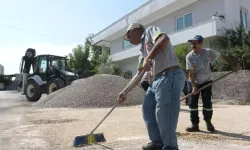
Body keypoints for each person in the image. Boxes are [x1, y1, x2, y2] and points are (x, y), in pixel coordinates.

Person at [118, 22, 185, 150]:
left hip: (169, 75)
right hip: (156, 80)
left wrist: (148, 58)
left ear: (134, 30)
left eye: (129, 36)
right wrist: (124, 91)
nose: (129, 41)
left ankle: (170, 147)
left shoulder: (150, 31)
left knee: (165, 116)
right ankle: (157, 143)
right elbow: (139, 73)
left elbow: (164, 39)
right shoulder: (142, 51)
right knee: (148, 110)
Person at [185, 35, 242, 133]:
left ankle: (208, 122)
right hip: (194, 82)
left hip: (207, 81)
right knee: (192, 104)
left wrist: (233, 64)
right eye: (191, 43)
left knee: (207, 103)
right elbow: (191, 72)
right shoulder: (189, 56)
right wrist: (194, 86)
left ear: (201, 43)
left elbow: (222, 57)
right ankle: (194, 125)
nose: (193, 45)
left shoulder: (208, 52)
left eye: (195, 43)